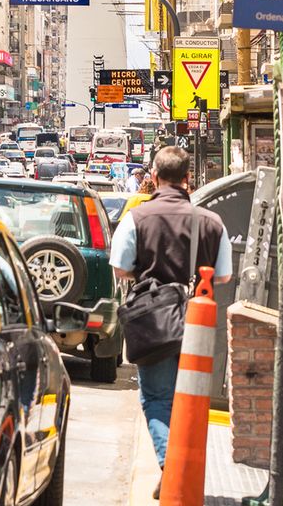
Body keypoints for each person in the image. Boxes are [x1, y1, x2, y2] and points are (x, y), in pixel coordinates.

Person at [111, 146, 232, 493]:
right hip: (198, 323)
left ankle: (172, 466)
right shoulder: (212, 222)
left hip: (154, 323)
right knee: (191, 402)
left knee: (157, 397)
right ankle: (182, 469)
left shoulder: (137, 217)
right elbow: (223, 276)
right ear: (187, 180)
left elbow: (120, 268)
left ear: (153, 177)